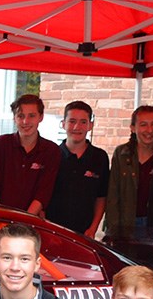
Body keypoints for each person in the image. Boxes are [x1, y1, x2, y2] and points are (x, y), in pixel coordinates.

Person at [0, 95, 60, 217]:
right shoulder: (1, 144)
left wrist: (24, 221)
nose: (25, 121)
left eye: (31, 116)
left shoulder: (51, 150)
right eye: (20, 116)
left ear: (41, 117)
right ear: (14, 118)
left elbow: (43, 193)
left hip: (30, 221)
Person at [46, 101, 109, 237]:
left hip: (85, 234)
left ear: (90, 125)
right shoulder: (52, 155)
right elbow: (42, 196)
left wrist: (93, 229)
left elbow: (101, 197)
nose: (77, 127)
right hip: (52, 232)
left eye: (83, 122)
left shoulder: (100, 157)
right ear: (63, 124)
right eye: (72, 121)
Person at [104, 106, 153, 237]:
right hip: (126, 223)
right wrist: (113, 227)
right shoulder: (122, 153)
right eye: (143, 125)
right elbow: (113, 194)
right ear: (132, 128)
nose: (149, 130)